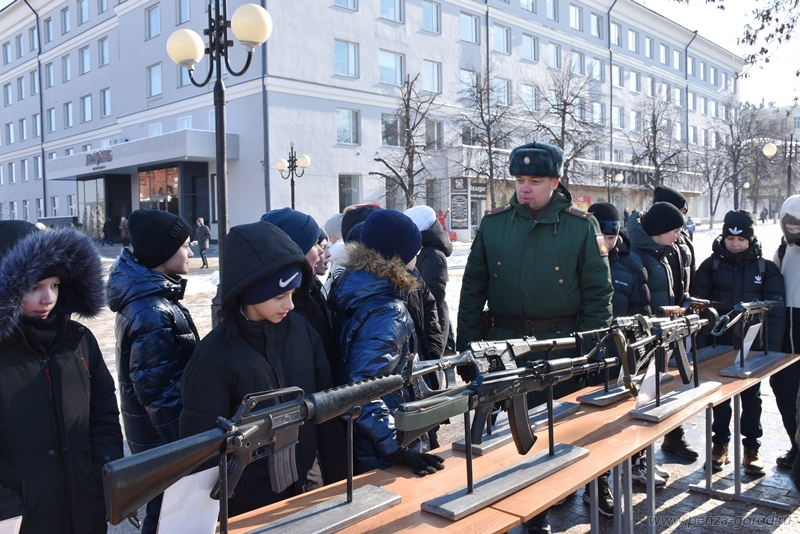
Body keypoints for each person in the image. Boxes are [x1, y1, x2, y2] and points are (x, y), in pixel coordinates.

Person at [457, 141, 613, 533]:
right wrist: (468, 348)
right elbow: (473, 288)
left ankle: (566, 495)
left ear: (555, 182)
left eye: (535, 181)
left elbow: (599, 294)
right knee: (507, 436)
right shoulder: (494, 223)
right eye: (520, 180)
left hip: (559, 345)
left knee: (563, 429)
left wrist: (591, 349)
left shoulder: (581, 226)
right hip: (505, 346)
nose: (525, 188)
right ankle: (520, 511)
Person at [179, 221, 346, 516]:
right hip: (247, 500)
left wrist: (339, 482)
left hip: (307, 483)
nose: (290, 305)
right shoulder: (214, 356)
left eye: (293, 293)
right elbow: (201, 448)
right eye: (280, 296)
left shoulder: (303, 333)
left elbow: (327, 414)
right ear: (249, 292)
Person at [0, 221, 123, 534]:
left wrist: (105, 476)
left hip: (86, 512)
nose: (48, 298)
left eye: (54, 285)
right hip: (23, 520)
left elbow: (103, 416)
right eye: (34, 287)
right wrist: (7, 509)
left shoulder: (78, 340)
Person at [329, 210, 445, 476]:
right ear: (400, 256)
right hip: (384, 444)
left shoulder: (361, 286)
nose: (418, 254)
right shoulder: (387, 310)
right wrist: (398, 447)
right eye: (415, 249)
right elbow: (363, 389)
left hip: (369, 437)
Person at [105, 209, 200, 533]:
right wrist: (189, 447)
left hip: (157, 440)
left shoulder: (153, 298)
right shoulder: (151, 310)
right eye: (184, 245)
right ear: (163, 252)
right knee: (166, 517)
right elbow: (157, 391)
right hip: (163, 443)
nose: (191, 252)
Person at [692, 210, 785, 476]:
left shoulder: (765, 269)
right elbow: (699, 309)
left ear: (750, 239)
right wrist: (702, 344)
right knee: (720, 398)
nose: (734, 244)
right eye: (730, 238)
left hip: (752, 346)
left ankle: (752, 448)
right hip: (718, 344)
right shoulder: (710, 266)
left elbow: (776, 312)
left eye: (741, 239)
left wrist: (771, 351)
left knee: (751, 399)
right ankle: (719, 444)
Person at [588, 204, 662, 494]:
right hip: (584, 355)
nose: (606, 244)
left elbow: (642, 312)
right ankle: (584, 483)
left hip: (618, 356)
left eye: (611, 237)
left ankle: (603, 481)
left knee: (610, 422)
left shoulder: (631, 265)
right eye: (600, 237)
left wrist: (638, 352)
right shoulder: (573, 260)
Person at [651, 186, 699, 462]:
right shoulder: (654, 236)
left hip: (680, 315)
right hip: (661, 317)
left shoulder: (682, 238)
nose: (683, 220)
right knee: (655, 382)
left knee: (677, 380)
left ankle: (674, 435)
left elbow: (689, 272)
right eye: (679, 213)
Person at [260, 208, 338, 371]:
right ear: (295, 249)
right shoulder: (282, 305)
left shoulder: (310, 287)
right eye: (314, 244)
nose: (321, 251)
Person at [771, 196, 800, 477]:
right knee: (784, 391)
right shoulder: (783, 249)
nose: (795, 231)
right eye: (790, 226)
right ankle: (795, 444)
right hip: (786, 333)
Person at [406, 205, 455, 353]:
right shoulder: (422, 250)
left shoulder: (433, 255)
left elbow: (435, 295)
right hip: (427, 319)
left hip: (433, 322)